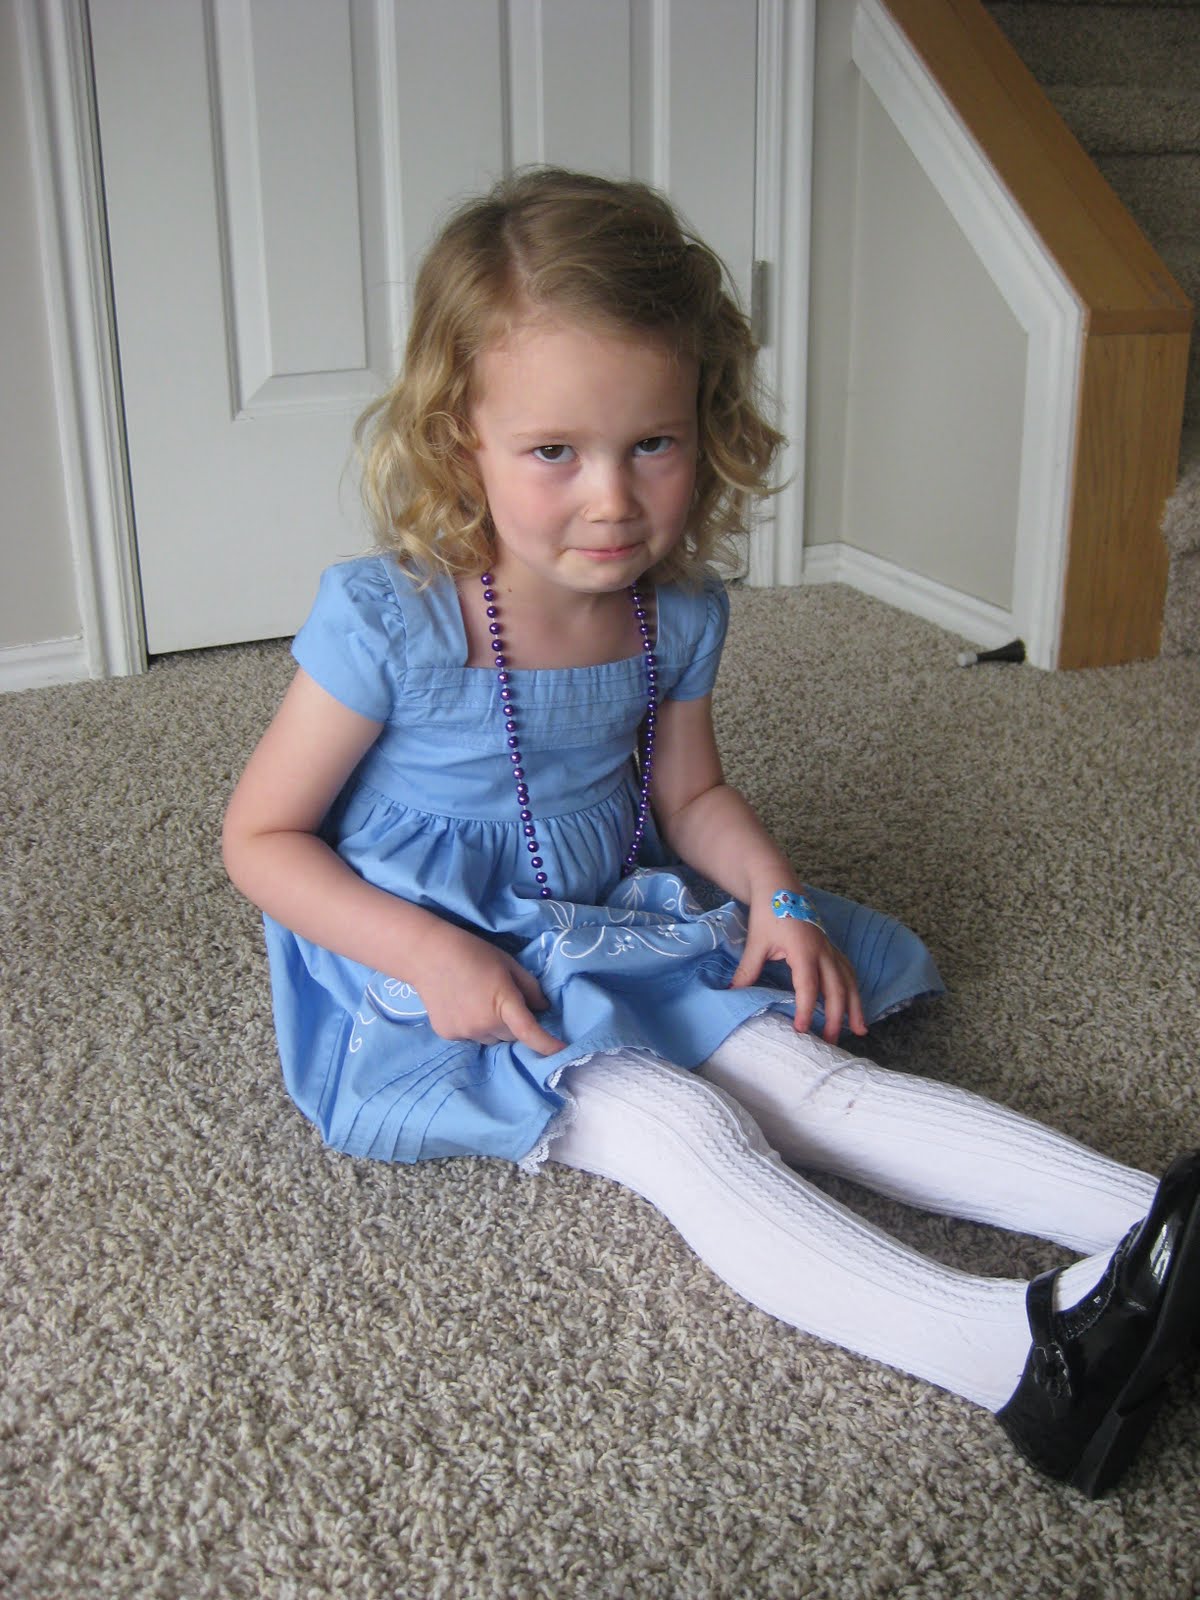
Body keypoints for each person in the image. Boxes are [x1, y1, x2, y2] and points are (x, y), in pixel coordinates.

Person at [223, 167, 1200, 1498]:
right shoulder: (390, 620)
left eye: (654, 444)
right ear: (460, 440)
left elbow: (690, 801)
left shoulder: (674, 614)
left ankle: (1157, 1232)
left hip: (610, 919)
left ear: (709, 425)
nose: (612, 501)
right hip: (439, 969)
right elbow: (262, 839)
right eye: (553, 452)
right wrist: (427, 954)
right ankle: (1014, 1358)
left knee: (815, 1083)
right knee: (686, 1129)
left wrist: (777, 895)